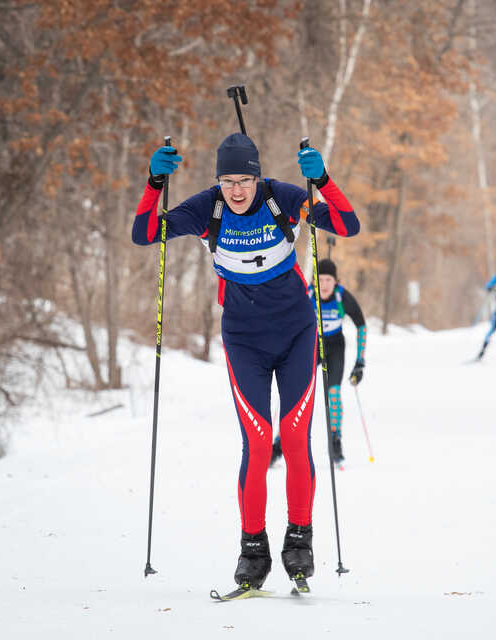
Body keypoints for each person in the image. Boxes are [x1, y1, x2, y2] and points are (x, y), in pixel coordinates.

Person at [131, 133, 359, 591]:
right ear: (219, 180)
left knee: (295, 438)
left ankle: (300, 540)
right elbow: (146, 233)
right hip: (243, 341)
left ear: (258, 177)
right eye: (228, 180)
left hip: (297, 333)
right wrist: (155, 180)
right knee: (257, 445)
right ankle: (252, 550)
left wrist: (324, 180)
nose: (237, 190)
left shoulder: (282, 200)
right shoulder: (207, 209)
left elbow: (346, 224)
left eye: (246, 180)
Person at [270, 258, 366, 466]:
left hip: (334, 348)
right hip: (310, 346)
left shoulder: (342, 296)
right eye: (320, 279)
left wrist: (360, 361)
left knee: (333, 392)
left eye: (328, 280)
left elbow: (361, 325)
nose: (324, 284)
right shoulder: (307, 293)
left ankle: (335, 440)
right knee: (297, 393)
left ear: (336, 281)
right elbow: (286, 318)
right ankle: (279, 443)